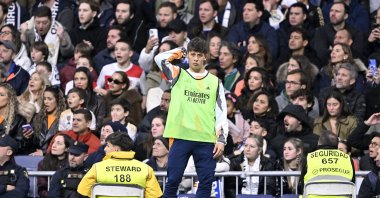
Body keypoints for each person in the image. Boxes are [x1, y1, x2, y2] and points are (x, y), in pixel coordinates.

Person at [154, 37, 228, 197]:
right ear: (188, 55)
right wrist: (180, 51)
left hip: (206, 138)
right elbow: (159, 58)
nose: (195, 58)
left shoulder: (215, 82)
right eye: (192, 54)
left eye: (199, 55)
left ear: (205, 57)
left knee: (206, 182)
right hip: (180, 136)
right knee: (173, 180)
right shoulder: (177, 74)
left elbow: (221, 113)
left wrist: (221, 140)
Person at [77, 132, 163, 197]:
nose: (105, 149)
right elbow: (155, 196)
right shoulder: (146, 169)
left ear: (116, 149)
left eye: (107, 146)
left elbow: (82, 192)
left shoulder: (97, 168)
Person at [298, 130, 355, 195]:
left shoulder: (309, 157)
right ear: (337, 144)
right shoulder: (347, 158)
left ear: (319, 143)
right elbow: (352, 183)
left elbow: (301, 186)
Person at [37, 134, 73, 198]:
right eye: (53, 142)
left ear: (67, 148)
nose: (53, 145)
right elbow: (42, 189)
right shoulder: (43, 163)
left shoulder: (72, 163)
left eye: (59, 143)